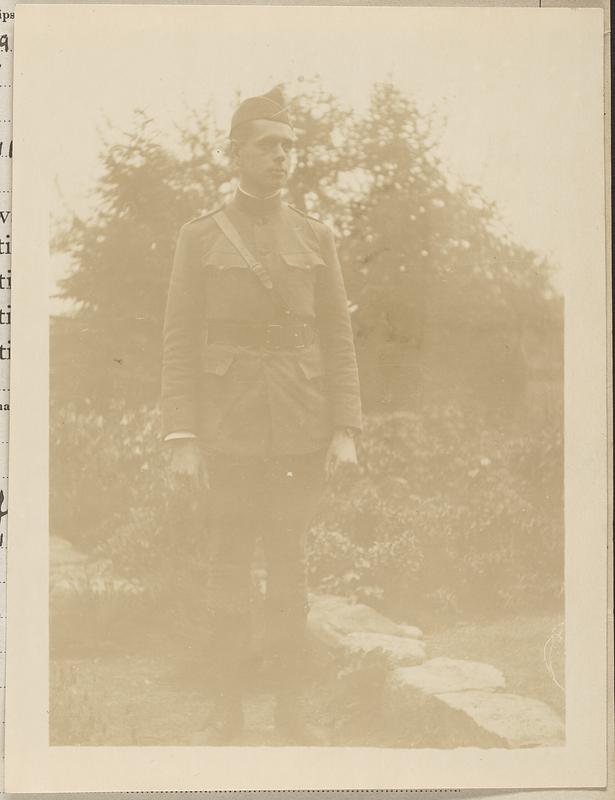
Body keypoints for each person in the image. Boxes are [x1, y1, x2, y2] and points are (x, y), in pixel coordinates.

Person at [161, 86, 362, 744]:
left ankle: (292, 716)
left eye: (289, 147)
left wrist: (344, 430)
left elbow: (337, 337)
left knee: (290, 569)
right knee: (227, 567)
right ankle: (226, 716)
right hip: (226, 431)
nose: (282, 157)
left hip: (300, 429)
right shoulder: (198, 238)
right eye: (267, 145)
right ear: (235, 153)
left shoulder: (316, 236)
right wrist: (182, 435)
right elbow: (179, 339)